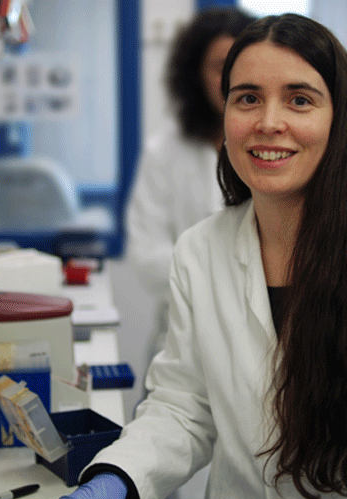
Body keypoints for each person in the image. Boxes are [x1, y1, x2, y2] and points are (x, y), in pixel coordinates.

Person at [59, 13, 347, 499]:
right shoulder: (201, 251)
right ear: (226, 114)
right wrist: (119, 477)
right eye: (247, 98)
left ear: (339, 117)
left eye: (299, 100)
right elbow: (184, 407)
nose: (268, 123)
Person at [125, 7, 255, 383]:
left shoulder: (274, 147)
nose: (231, 80)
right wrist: (229, 279)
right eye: (219, 67)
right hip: (184, 340)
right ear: (195, 73)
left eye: (240, 66)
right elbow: (146, 253)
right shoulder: (165, 153)